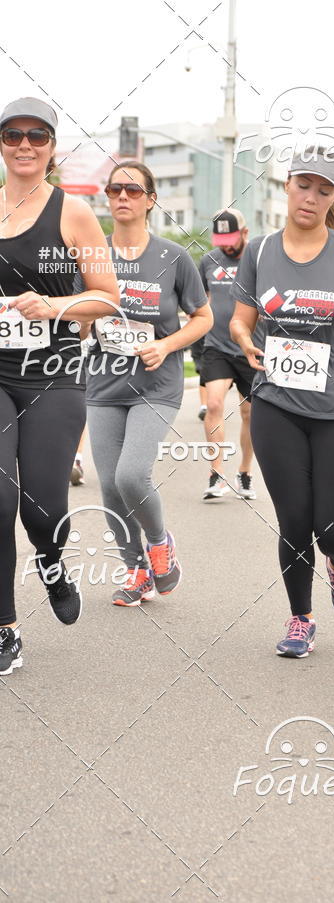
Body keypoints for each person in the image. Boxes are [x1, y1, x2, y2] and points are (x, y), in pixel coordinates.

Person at [230, 147, 334, 657]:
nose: (311, 197)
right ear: (286, 185)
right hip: (277, 403)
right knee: (295, 521)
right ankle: (301, 618)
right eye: (304, 185)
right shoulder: (260, 250)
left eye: (324, 190)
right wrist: (244, 340)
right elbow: (241, 317)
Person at [0, 97, 120, 676]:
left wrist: (55, 305)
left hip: (53, 375)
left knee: (40, 507)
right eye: (12, 134)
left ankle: (50, 558)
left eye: (37, 136)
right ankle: (6, 626)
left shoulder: (72, 213)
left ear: (52, 147)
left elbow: (108, 298)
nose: (24, 145)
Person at [81, 161, 212, 606]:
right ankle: (135, 570)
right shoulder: (93, 254)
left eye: (133, 191)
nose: (122, 197)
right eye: (115, 189)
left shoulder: (173, 257)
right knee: (108, 484)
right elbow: (79, 316)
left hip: (156, 384)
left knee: (131, 474)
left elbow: (203, 318)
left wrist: (168, 344)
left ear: (151, 200)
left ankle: (159, 543)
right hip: (102, 383)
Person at [200, 209, 257, 500]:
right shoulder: (209, 261)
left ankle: (244, 473)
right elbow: (200, 300)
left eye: (231, 239)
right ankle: (217, 473)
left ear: (245, 233)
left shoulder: (258, 258)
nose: (226, 245)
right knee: (213, 404)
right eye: (221, 239)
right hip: (217, 345)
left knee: (249, 413)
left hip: (249, 348)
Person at [190, 334, 208, 420]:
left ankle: (212, 405)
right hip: (199, 343)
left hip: (217, 346)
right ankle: (204, 406)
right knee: (203, 373)